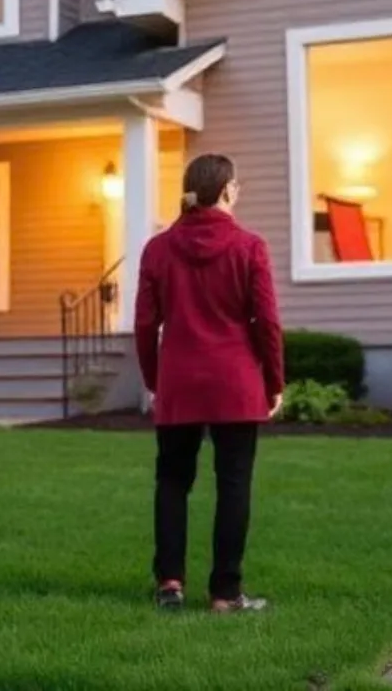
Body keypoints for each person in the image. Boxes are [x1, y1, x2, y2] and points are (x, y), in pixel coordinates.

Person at [134, 153, 284, 613]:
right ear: (227, 191)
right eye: (236, 187)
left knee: (173, 481)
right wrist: (274, 381)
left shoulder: (157, 249)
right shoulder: (249, 246)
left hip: (179, 382)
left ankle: (170, 584)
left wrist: (155, 380)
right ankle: (225, 593)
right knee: (234, 485)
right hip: (235, 383)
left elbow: (144, 325)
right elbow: (267, 321)